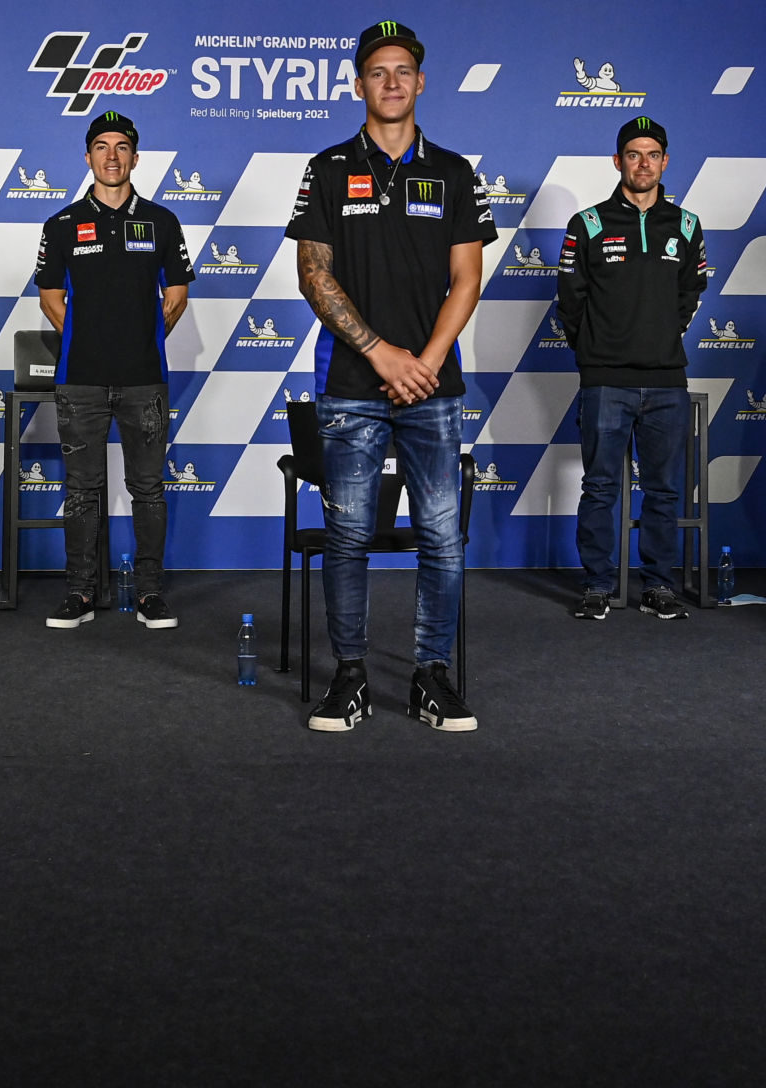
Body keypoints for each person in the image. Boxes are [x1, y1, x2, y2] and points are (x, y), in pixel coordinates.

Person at [285, 21, 495, 732]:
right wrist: (381, 354)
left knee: (441, 537)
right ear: (359, 84)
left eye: (404, 70)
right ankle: (350, 679)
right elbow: (314, 274)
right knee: (347, 539)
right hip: (351, 387)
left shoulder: (456, 172)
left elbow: (468, 277)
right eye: (378, 71)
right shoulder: (328, 168)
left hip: (433, 389)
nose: (393, 82)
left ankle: (430, 677)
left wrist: (425, 364)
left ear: (422, 81)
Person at [33, 110, 194, 631]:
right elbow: (50, 298)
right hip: (78, 379)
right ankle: (79, 593)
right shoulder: (60, 225)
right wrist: (91, 337)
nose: (111, 156)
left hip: (144, 379)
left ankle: (150, 593)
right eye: (101, 146)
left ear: (135, 157)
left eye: (121, 146)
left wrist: (137, 339)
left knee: (148, 488)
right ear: (87, 157)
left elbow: (176, 296)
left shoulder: (163, 222)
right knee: (82, 490)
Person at [557, 116, 709, 622]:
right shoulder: (589, 224)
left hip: (668, 380)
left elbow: (690, 294)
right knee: (600, 487)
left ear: (665, 161)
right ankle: (598, 585)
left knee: (664, 488)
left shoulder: (686, 225)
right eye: (633, 154)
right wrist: (598, 352)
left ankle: (659, 586)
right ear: (617, 161)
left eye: (652, 154)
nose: (642, 163)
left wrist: (660, 335)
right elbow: (570, 301)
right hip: (605, 380)